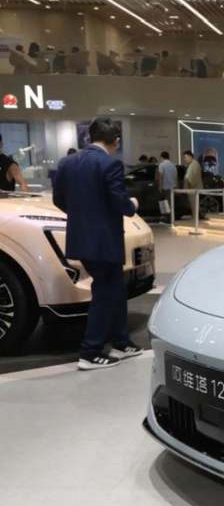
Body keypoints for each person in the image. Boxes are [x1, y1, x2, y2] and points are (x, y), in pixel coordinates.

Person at [52, 118, 142, 371]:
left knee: (115, 289)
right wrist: (132, 205)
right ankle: (90, 352)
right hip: (104, 241)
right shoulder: (110, 163)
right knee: (104, 293)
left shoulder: (67, 163)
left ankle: (121, 342)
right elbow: (120, 202)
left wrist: (83, 216)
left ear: (90, 137)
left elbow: (59, 199)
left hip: (82, 238)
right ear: (116, 141)